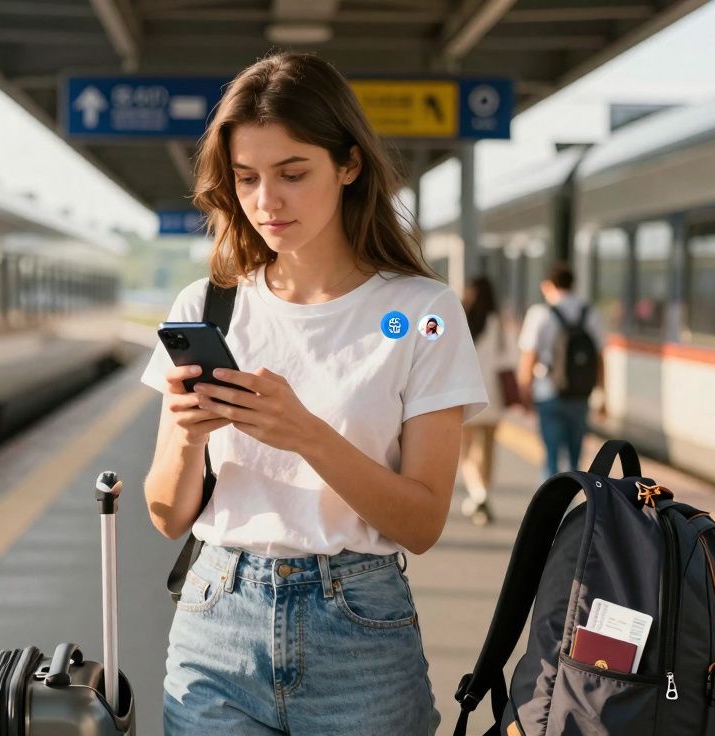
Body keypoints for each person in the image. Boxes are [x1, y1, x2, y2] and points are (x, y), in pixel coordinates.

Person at [140, 53, 488, 735]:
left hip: (360, 627)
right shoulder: (207, 302)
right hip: (217, 620)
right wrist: (187, 435)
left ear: (349, 165)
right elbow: (165, 514)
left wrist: (304, 434)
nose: (267, 200)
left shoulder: (426, 310)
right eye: (247, 178)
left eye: (293, 173)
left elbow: (421, 524)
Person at [517, 262, 606, 478]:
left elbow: (529, 356)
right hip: (580, 394)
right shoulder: (590, 313)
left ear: (547, 286)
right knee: (575, 459)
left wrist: (524, 392)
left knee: (551, 457)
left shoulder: (539, 314)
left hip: (548, 392)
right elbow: (600, 359)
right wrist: (603, 395)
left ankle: (553, 508)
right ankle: (576, 505)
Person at [459, 276, 513, 526]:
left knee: (466, 450)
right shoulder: (497, 324)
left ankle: (476, 494)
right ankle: (483, 494)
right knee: (488, 447)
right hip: (493, 398)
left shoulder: (461, 319)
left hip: (464, 395)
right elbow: (506, 360)